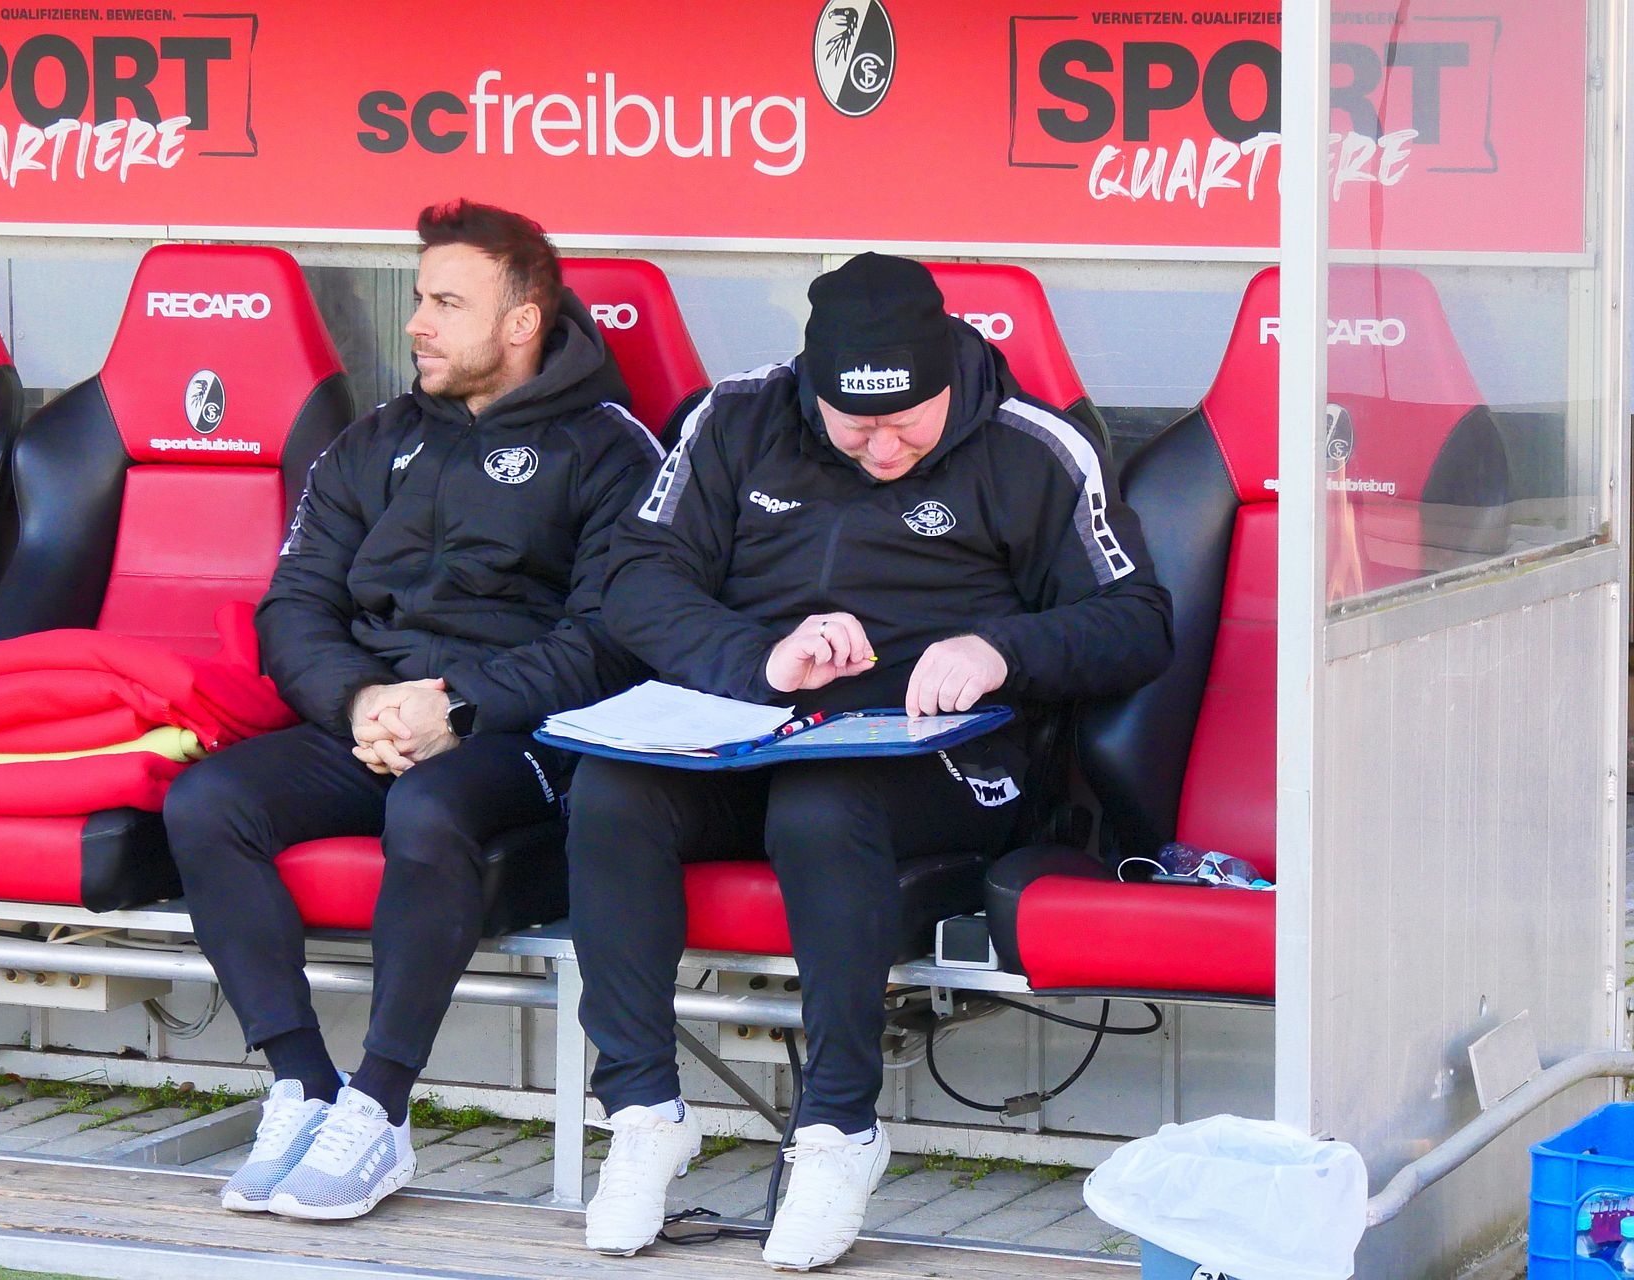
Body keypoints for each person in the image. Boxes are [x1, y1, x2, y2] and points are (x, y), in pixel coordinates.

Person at [567, 253, 1172, 1269]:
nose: (885, 447)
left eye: (909, 423)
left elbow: (1139, 619)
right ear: (812, 386)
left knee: (822, 805)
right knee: (613, 793)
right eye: (857, 426)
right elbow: (635, 576)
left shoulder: (1034, 446)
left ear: (947, 379)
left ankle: (839, 1124)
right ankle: (640, 1111)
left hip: (944, 749)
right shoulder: (736, 418)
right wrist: (759, 659)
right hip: (756, 722)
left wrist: (1001, 649)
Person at [163, 199, 661, 1221]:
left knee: (428, 808)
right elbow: (294, 604)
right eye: (420, 298)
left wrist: (460, 706)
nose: (417, 323)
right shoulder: (376, 438)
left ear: (520, 322)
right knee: (209, 802)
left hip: (522, 737)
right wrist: (359, 700)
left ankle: (380, 1107)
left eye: (446, 303)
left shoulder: (611, 449)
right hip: (374, 718)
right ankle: (304, 1086)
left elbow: (613, 639)